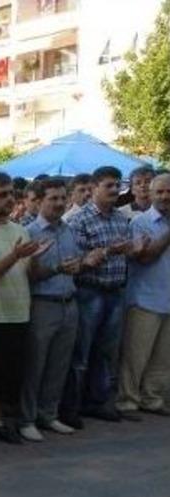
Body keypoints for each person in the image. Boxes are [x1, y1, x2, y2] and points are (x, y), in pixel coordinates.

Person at [60, 166, 147, 427]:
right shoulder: (80, 220)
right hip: (90, 291)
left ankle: (98, 402)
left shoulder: (121, 218)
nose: (114, 191)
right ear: (94, 187)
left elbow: (126, 252)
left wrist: (134, 249)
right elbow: (77, 261)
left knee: (106, 352)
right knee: (82, 353)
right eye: (108, 186)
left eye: (117, 186)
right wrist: (109, 251)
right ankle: (73, 407)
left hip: (115, 291)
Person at [19, 178, 103, 442]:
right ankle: (27, 418)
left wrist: (86, 262)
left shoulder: (68, 230)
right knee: (35, 365)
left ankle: (48, 413)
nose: (58, 203)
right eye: (52, 198)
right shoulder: (29, 232)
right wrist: (57, 268)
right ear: (39, 201)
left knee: (59, 364)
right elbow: (29, 276)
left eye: (61, 198)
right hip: (43, 304)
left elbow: (74, 265)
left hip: (69, 302)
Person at [0, 172, 46, 444]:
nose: (9, 199)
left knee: (12, 374)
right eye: (2, 194)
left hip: (19, 311)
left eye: (12, 193)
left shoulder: (19, 229)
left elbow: (29, 273)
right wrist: (15, 255)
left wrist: (35, 259)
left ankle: (3, 422)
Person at [118, 173, 170, 416]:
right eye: (159, 192)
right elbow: (146, 257)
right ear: (150, 194)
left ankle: (153, 398)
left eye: (169, 191)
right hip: (144, 300)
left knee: (162, 358)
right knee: (135, 357)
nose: (165, 196)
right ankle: (128, 400)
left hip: (167, 300)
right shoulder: (140, 223)